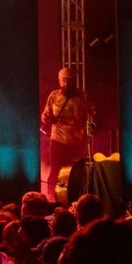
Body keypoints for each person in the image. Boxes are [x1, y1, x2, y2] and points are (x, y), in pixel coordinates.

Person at [40, 66, 95, 200]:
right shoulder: (54, 96)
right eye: (64, 80)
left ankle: (75, 199)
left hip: (77, 141)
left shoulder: (82, 96)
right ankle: (51, 198)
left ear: (74, 81)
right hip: (58, 140)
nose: (66, 83)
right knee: (55, 172)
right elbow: (45, 116)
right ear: (59, 81)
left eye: (69, 80)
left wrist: (88, 128)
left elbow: (92, 114)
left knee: (77, 173)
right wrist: (49, 118)